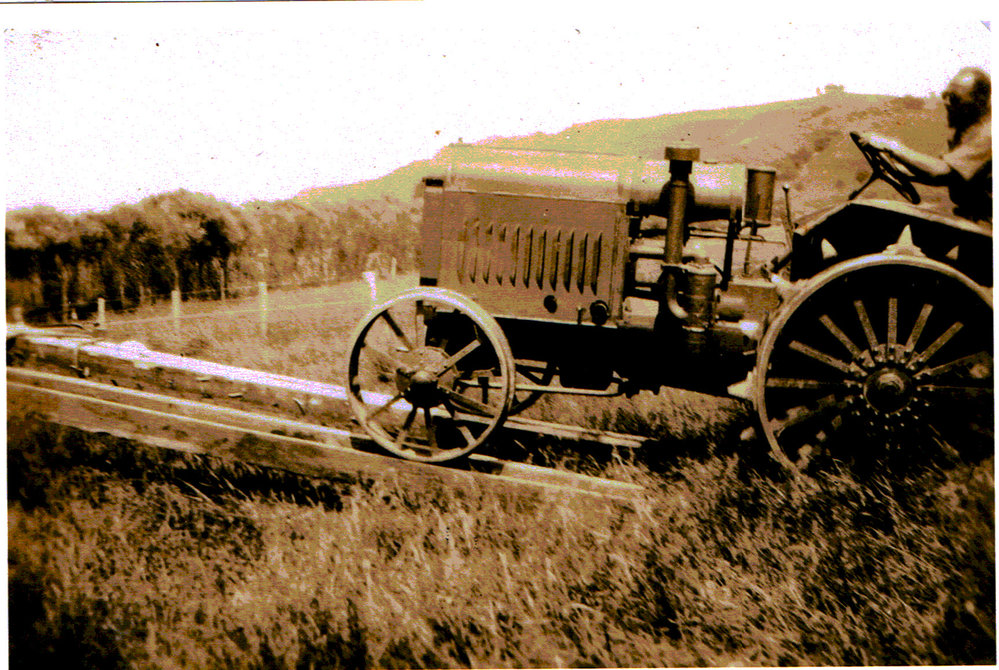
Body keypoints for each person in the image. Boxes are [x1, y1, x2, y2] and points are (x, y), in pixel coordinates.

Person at [858, 67, 991, 225]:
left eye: (954, 98)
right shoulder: (967, 131)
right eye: (945, 96)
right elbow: (946, 176)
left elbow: (941, 172)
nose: (946, 103)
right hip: (971, 220)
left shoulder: (988, 135)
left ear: (979, 101)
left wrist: (892, 146)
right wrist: (895, 168)